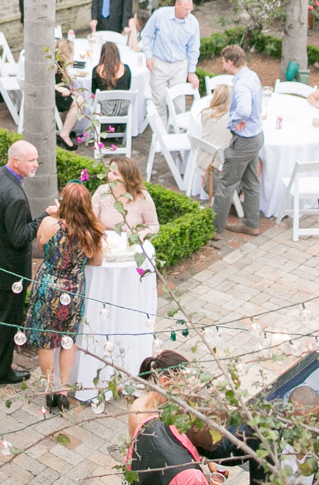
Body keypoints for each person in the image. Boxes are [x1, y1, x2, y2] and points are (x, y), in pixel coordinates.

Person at [26, 181, 105, 409]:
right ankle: (63, 390)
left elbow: (40, 242)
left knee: (47, 342)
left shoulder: (50, 224)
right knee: (68, 340)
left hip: (48, 287)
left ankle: (49, 389)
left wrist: (56, 213)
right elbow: (97, 261)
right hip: (73, 290)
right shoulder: (92, 233)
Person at [0, 140, 43, 385]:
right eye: (32, 160)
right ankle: (1, 371)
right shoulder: (16, 197)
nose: (36, 164)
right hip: (9, 270)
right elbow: (19, 237)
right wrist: (43, 219)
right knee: (6, 321)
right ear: (15, 162)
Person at [127, 352, 223, 485]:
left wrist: (210, 463)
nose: (187, 390)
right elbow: (150, 458)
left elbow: (188, 437)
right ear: (165, 382)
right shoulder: (140, 413)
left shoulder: (172, 403)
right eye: (183, 385)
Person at [212, 46, 264, 238]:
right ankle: (251, 224)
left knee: (226, 183)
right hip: (255, 136)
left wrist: (234, 120)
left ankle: (215, 229)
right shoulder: (251, 75)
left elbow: (243, 109)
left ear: (230, 62)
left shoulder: (241, 84)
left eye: (223, 61)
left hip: (244, 141)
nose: (222, 64)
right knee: (251, 182)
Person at [142, 0, 202, 129]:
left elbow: (193, 49)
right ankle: (161, 137)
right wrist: (148, 55)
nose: (188, 12)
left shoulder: (193, 23)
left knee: (178, 103)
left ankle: (178, 133)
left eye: (190, 9)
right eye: (185, 9)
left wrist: (191, 71)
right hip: (159, 63)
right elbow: (146, 35)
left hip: (180, 65)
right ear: (176, 5)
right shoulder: (160, 15)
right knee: (159, 102)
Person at [60, 41, 132, 148]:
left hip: (104, 110)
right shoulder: (126, 69)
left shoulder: (97, 70)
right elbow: (128, 87)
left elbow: (94, 92)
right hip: (122, 109)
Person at [92, 155, 160, 249]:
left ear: (127, 178)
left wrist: (144, 232)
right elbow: (91, 219)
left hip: (132, 246)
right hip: (107, 245)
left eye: (115, 174)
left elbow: (153, 225)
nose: (109, 176)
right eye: (109, 171)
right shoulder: (102, 192)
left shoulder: (142, 197)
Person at [191, 85, 234, 195]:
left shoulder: (205, 114)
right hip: (218, 165)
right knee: (256, 160)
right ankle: (242, 194)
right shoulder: (232, 120)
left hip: (201, 159)